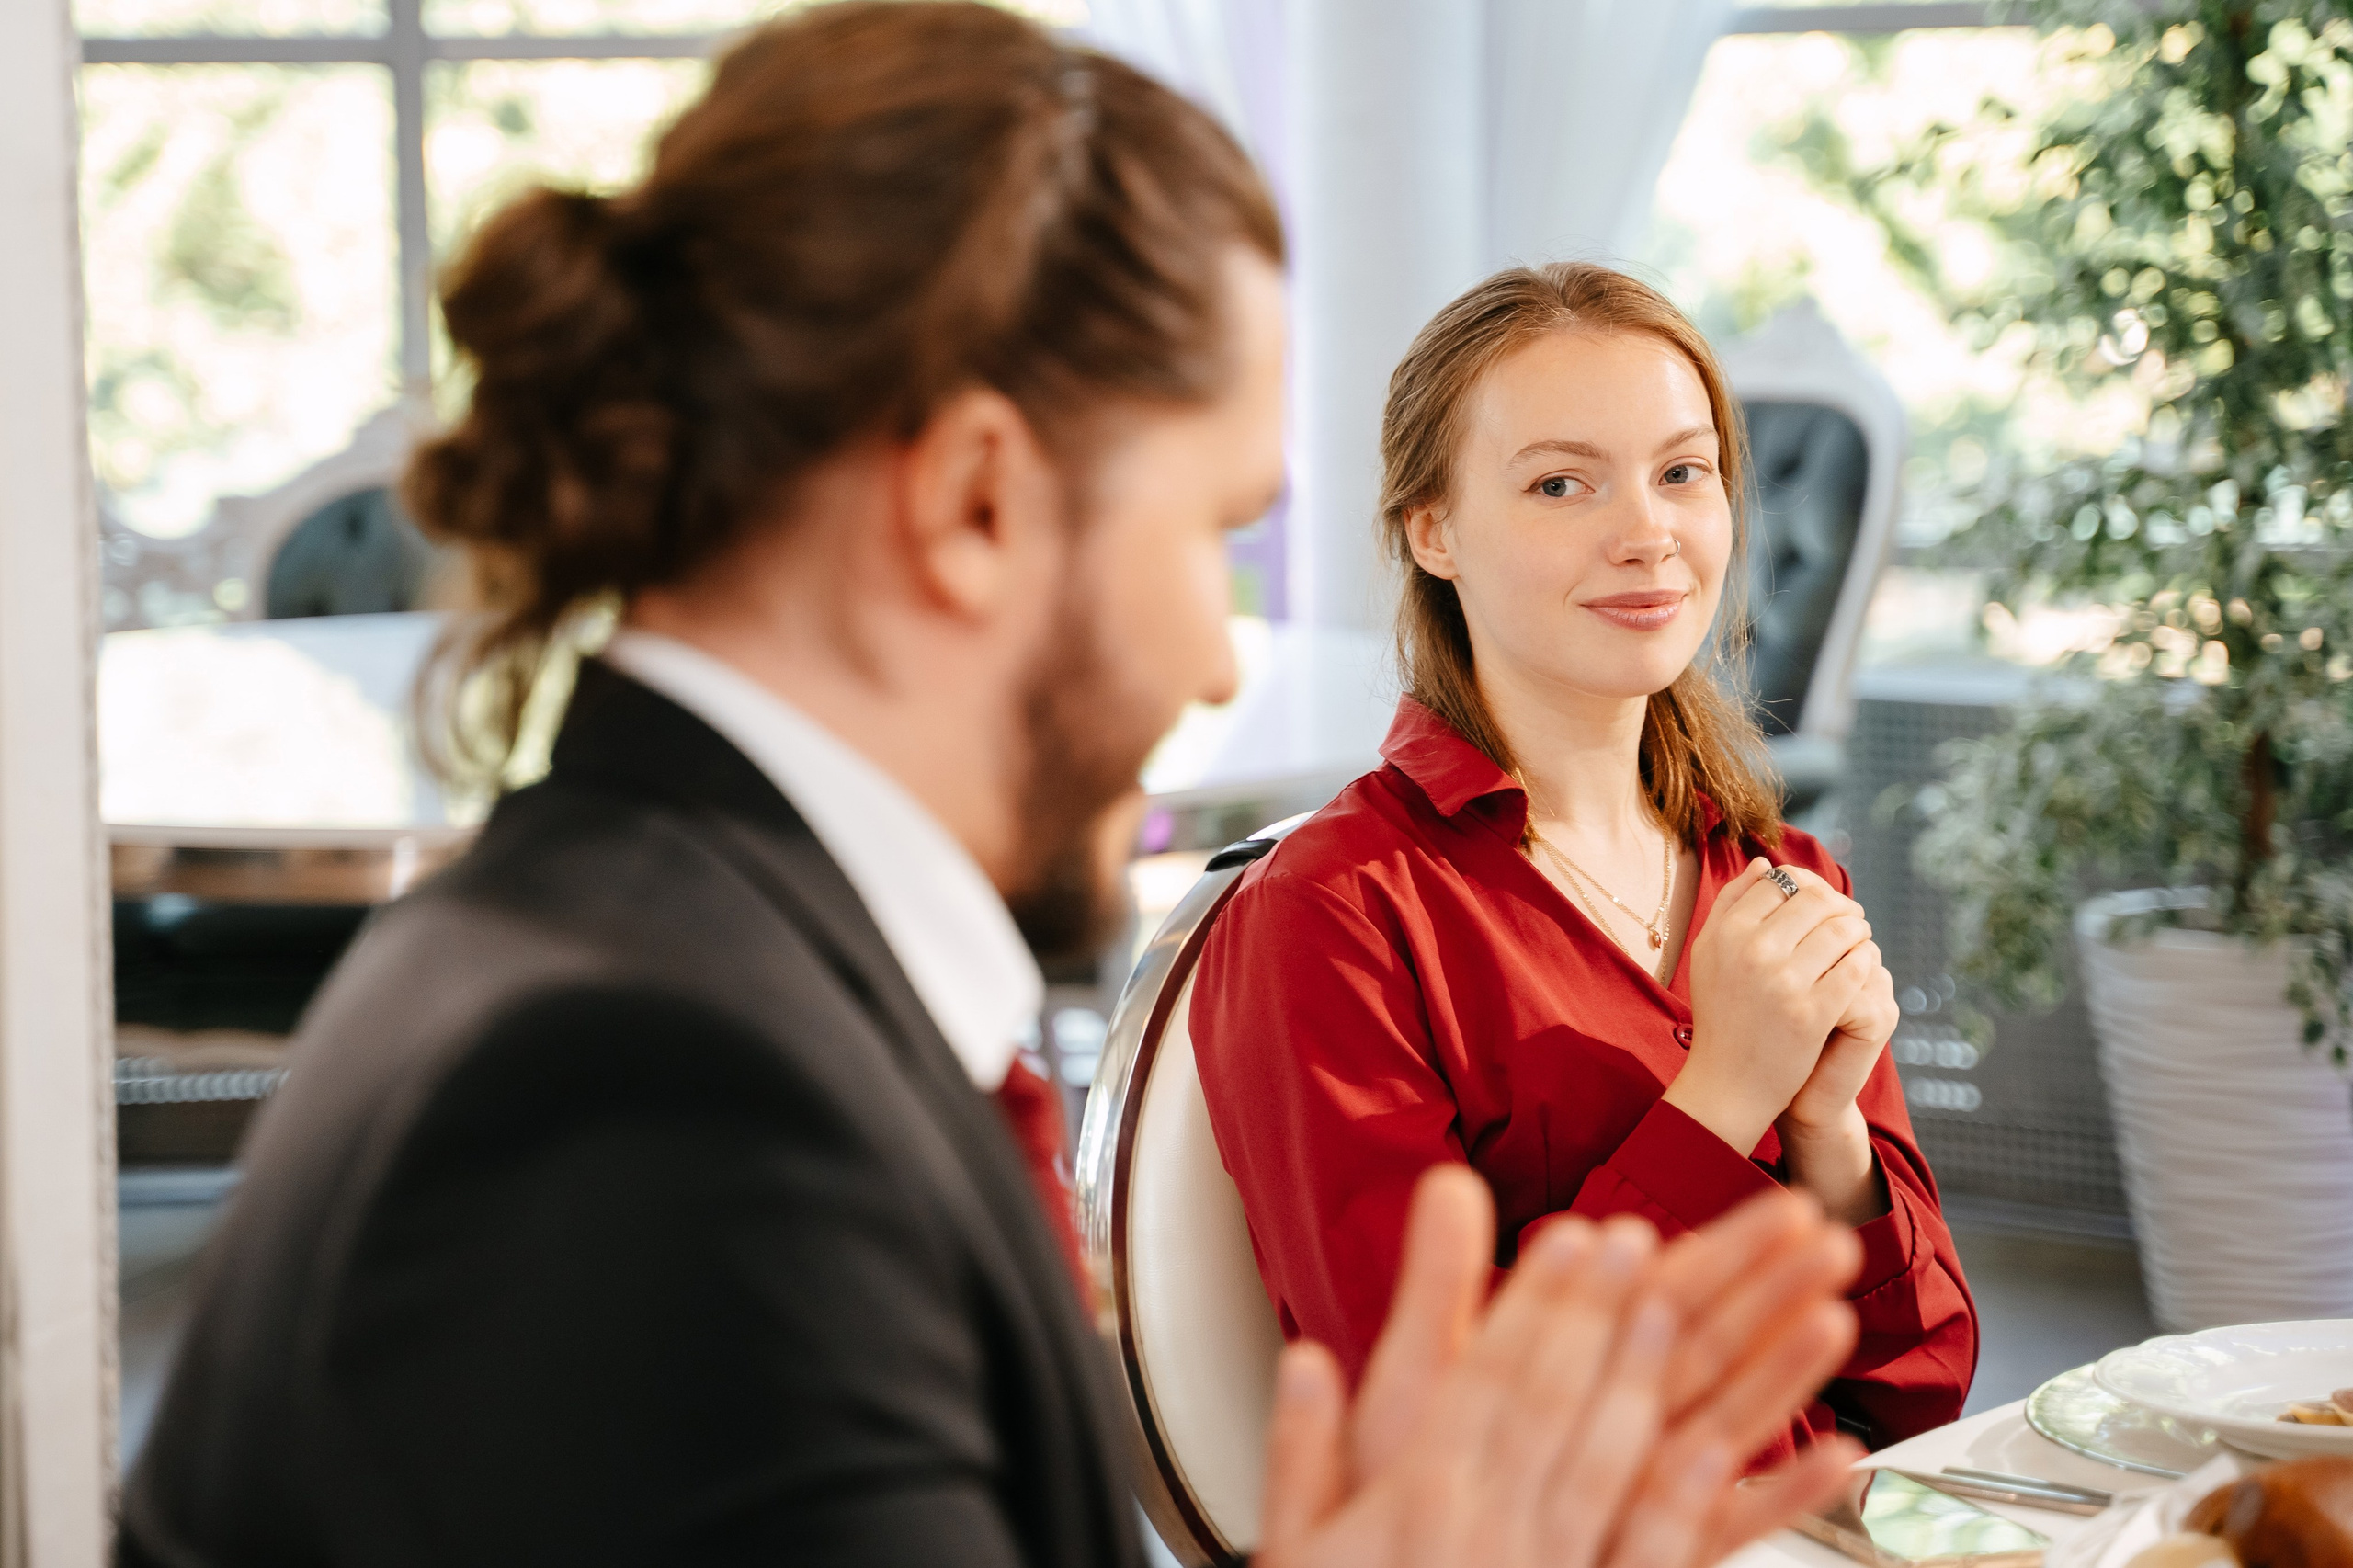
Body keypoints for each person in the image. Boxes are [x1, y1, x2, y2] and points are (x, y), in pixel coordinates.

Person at [118, 12, 1873, 1567]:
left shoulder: (620, 961)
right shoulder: (667, 1102)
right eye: (1204, 533)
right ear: (976, 502)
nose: (1211, 661)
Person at [1191, 263, 1980, 1466]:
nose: (1647, 533)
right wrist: (1722, 1097)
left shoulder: (1785, 876)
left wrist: (1829, 1133)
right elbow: (1436, 1432)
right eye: (1561, 483)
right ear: (1434, 530)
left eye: (1683, 473)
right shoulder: (1331, 912)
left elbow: (1923, 1385)